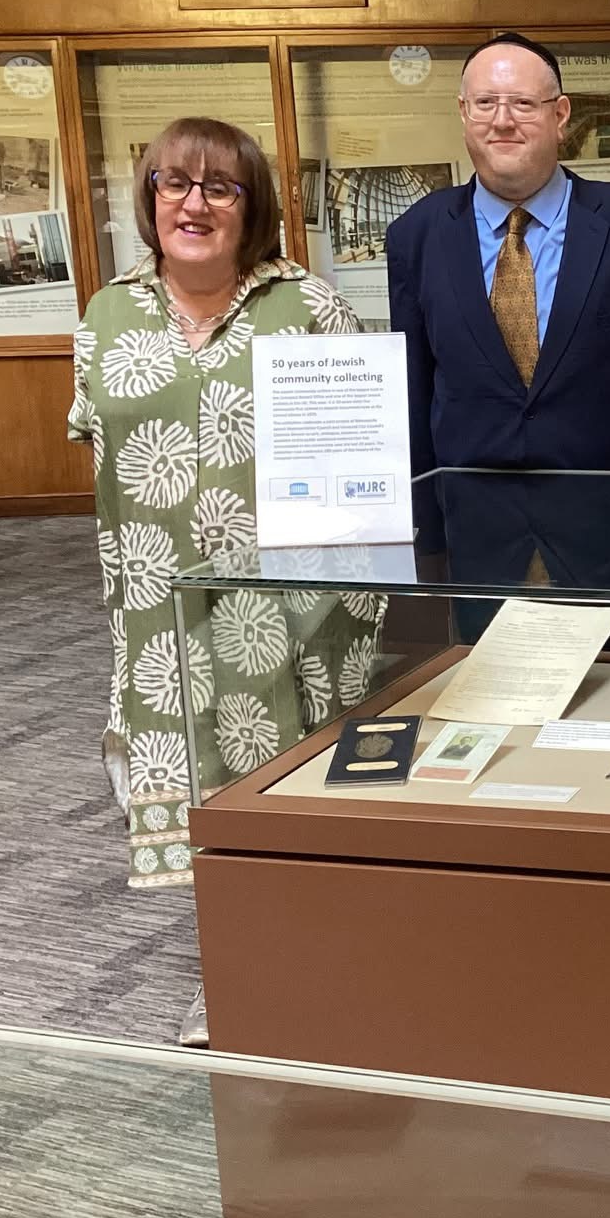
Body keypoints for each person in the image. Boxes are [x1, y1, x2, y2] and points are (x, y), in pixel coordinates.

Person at [67, 117, 378, 898]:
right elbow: (92, 446)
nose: (193, 204)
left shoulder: (309, 308)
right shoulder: (106, 317)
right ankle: (225, 950)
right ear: (150, 197)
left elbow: (362, 459)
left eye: (219, 187)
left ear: (254, 204)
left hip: (289, 605)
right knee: (193, 823)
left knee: (297, 814)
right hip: (158, 606)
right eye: (174, 182)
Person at [388, 31, 610, 476]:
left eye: (523, 104)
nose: (502, 121)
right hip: (476, 525)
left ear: (561, 115)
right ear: (463, 113)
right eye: (485, 103)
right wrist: (426, 536)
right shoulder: (415, 236)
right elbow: (413, 397)